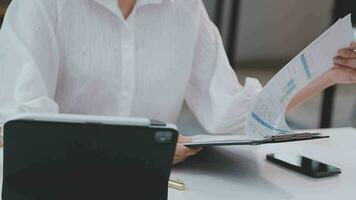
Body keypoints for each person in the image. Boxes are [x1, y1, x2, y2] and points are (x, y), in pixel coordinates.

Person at [0, 0, 355, 164]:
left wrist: (329, 74)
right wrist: (140, 150)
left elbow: (231, 113)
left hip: (159, 187)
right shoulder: (43, 6)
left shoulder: (184, 8)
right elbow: (20, 126)